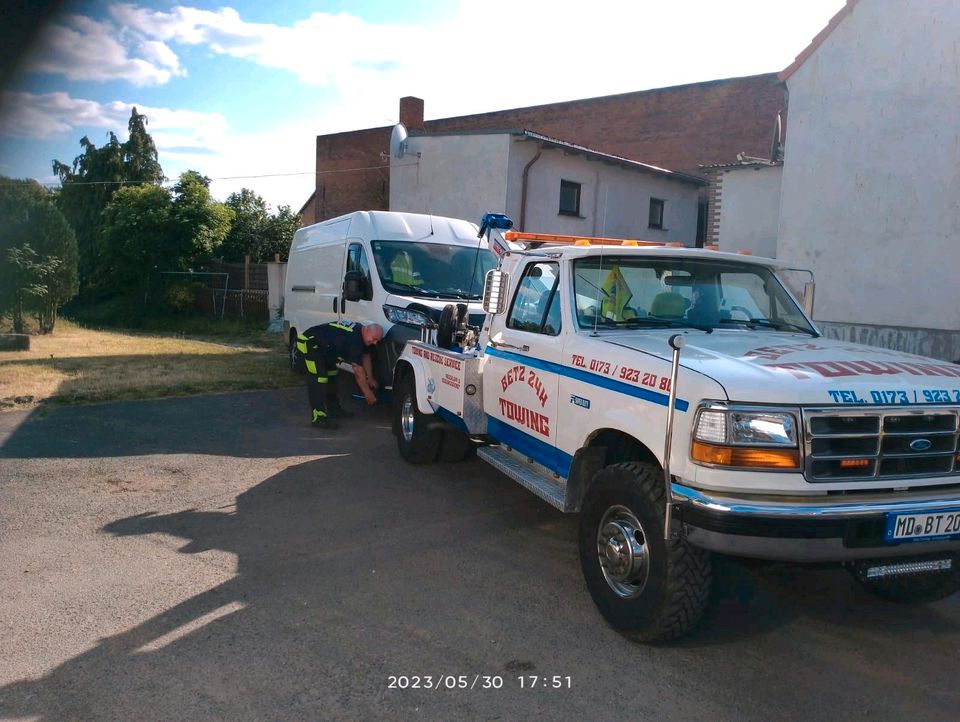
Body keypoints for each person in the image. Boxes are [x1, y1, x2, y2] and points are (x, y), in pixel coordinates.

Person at [296, 321, 383, 429]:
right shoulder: (354, 339)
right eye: (374, 339)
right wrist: (368, 394)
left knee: (332, 375)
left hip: (325, 349)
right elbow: (358, 372)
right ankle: (318, 417)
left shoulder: (362, 335)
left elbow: (365, 355)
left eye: (377, 341)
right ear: (366, 330)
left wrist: (370, 377)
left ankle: (334, 409)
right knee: (319, 378)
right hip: (309, 343)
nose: (375, 343)